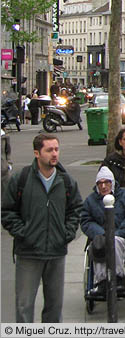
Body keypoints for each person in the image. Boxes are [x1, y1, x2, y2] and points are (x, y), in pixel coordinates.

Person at [1, 134, 82, 323]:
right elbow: (7, 212)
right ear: (37, 153)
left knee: (54, 309)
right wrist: (25, 234)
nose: (54, 154)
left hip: (56, 252)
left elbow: (76, 210)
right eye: (49, 150)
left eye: (56, 149)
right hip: (28, 253)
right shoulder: (21, 179)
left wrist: (66, 234)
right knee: (24, 306)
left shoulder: (66, 181)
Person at [80, 167, 125, 296]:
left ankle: (118, 279)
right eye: (100, 183)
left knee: (114, 241)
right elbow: (86, 221)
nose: (103, 186)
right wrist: (102, 234)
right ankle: (102, 281)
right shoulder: (90, 201)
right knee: (98, 243)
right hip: (101, 237)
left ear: (113, 183)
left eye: (107, 182)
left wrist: (116, 234)